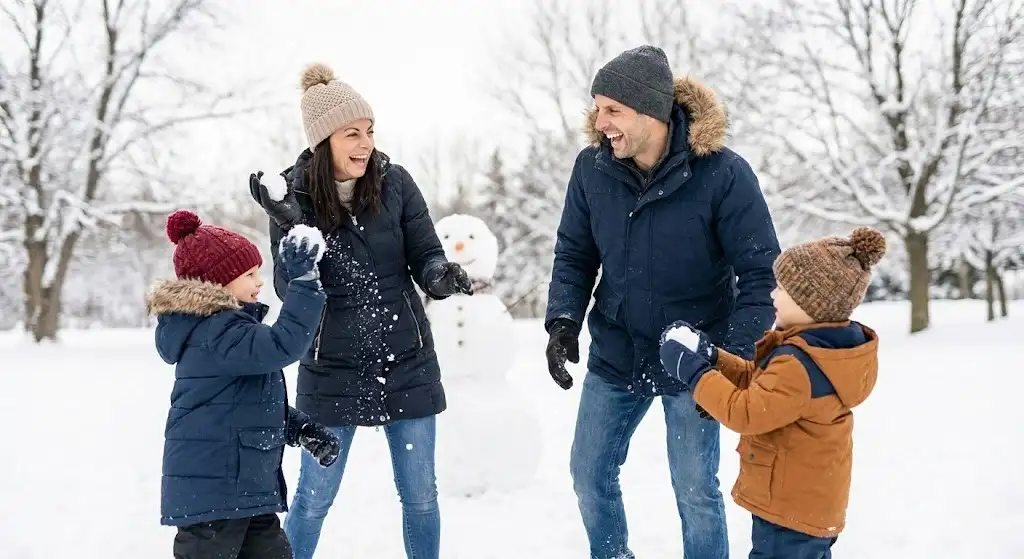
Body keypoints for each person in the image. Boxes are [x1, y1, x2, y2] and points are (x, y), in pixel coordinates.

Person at [544, 45, 782, 559]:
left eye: (612, 109)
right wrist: (563, 319)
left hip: (696, 360)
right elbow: (574, 253)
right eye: (597, 107)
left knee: (696, 491)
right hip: (617, 350)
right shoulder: (592, 169)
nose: (598, 121)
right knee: (588, 476)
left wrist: (730, 357)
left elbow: (761, 273)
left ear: (649, 111)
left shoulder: (722, 173)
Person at [248, 63, 472, 559]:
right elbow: (291, 288)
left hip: (405, 360)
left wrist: (440, 275)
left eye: (369, 131)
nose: (365, 143)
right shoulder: (292, 196)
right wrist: (292, 228)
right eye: (352, 133)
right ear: (324, 139)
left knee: (420, 498)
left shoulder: (396, 183)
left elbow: (426, 255)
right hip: (330, 368)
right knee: (312, 501)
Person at [659, 227, 886, 558]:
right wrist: (715, 358)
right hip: (809, 505)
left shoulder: (799, 363)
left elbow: (748, 412)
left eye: (783, 288)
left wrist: (694, 372)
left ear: (812, 304)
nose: (773, 295)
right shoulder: (822, 352)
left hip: (790, 510)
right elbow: (763, 384)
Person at [147, 209, 341, 559]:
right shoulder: (218, 331)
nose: (259, 282)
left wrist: (301, 429)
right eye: (250, 274)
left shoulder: (226, 333)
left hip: (244, 491)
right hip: (215, 499)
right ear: (217, 284)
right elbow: (285, 344)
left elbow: (249, 403)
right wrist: (304, 284)